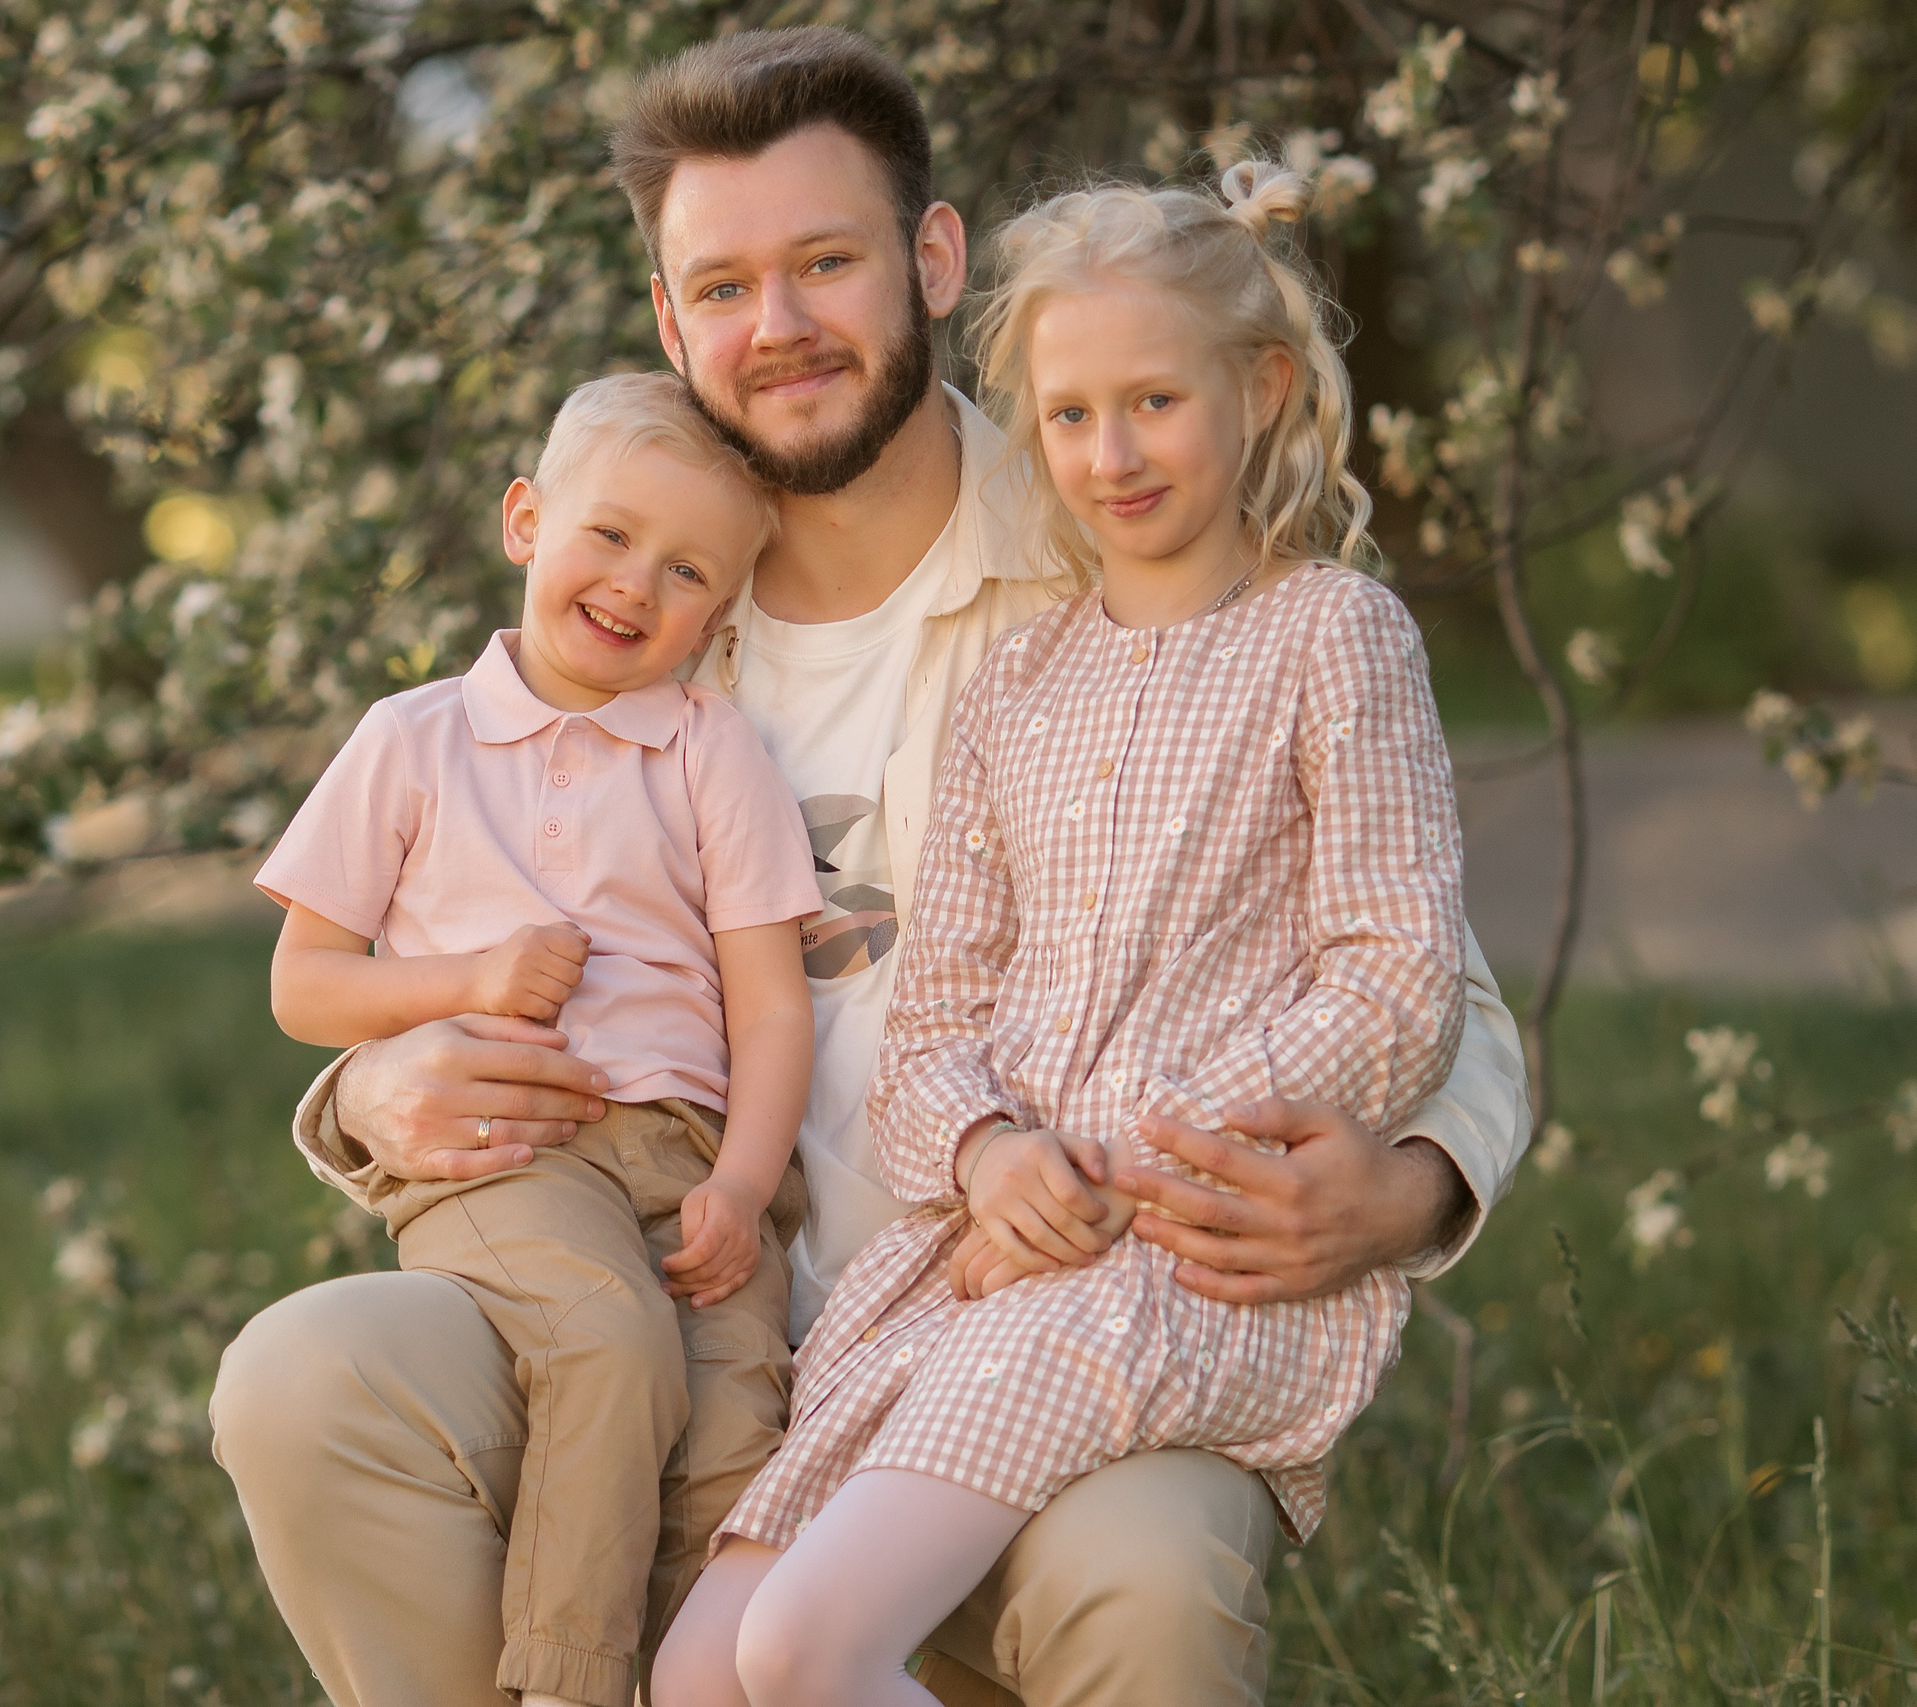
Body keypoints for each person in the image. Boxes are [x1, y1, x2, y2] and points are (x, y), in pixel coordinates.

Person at [211, 27, 1533, 1707]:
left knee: (1146, 1578)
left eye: (825, 263)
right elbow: (412, 950)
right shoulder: (625, 623)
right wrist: (374, 1089)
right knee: (307, 1378)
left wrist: (1402, 1187)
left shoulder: (1122, 552)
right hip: (685, 1316)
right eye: (725, 286)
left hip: (1055, 1295)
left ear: (932, 257)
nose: (778, 329)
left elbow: (1424, 980)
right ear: (669, 317)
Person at [653, 158, 1463, 1707]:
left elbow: (1397, 976)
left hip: (1173, 1257)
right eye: (1074, 417)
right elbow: (940, 1022)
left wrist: (1145, 1142)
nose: (1113, 454)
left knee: (805, 1653)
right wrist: (986, 1154)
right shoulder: (1022, 686)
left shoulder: (1331, 637)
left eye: (1155, 402)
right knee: (700, 1678)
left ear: (1264, 388)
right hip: (986, 1257)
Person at [254, 370, 822, 1707]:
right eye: (610, 535)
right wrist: (471, 977)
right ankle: (567, 1684)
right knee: (605, 1337)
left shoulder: (708, 752)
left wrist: (743, 1184)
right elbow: (304, 986)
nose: (637, 585)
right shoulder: (412, 741)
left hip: (691, 1161)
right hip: (511, 1148)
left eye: (688, 572)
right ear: (526, 519)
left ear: (725, 610)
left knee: (737, 1443)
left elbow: (770, 1002)